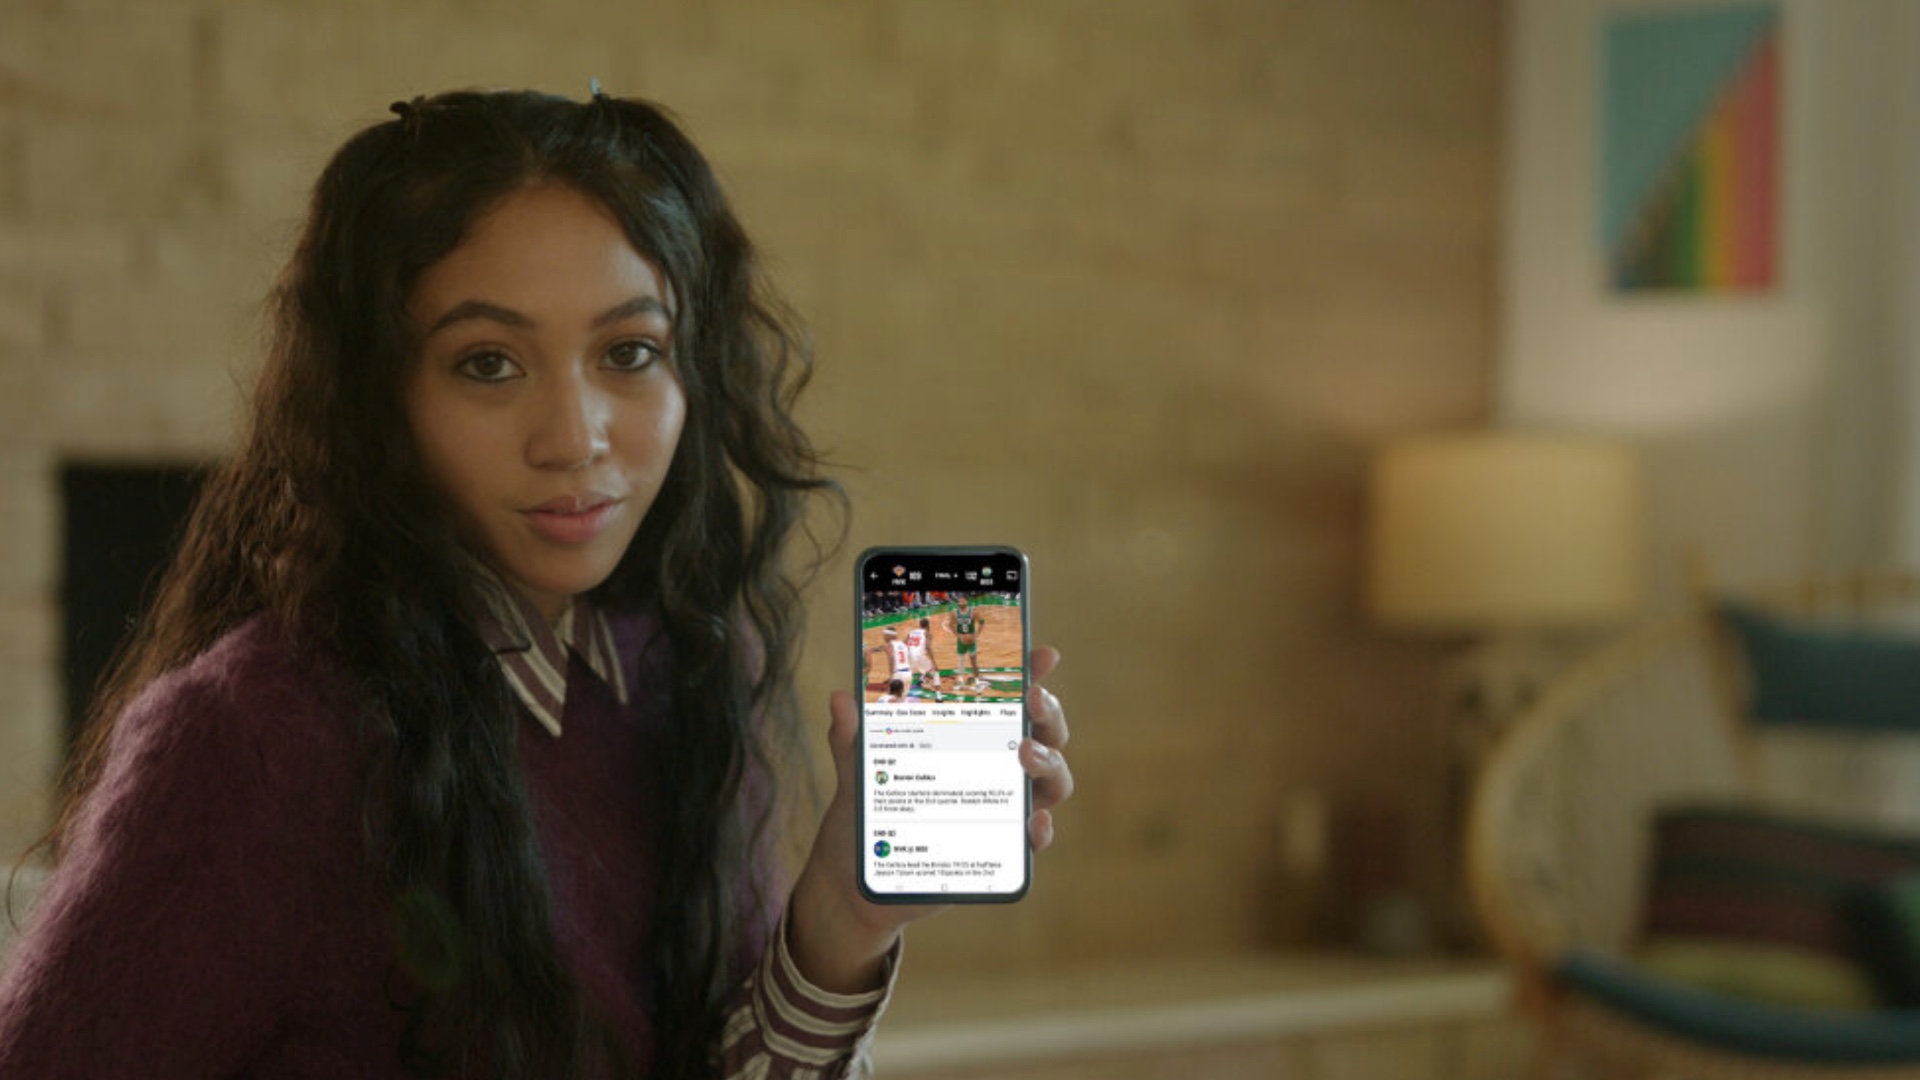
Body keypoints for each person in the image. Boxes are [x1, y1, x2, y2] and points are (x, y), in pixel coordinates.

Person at [0, 88, 1073, 1079]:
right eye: (488, 363)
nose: (576, 439)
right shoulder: (252, 737)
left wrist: (842, 915)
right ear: (380, 398)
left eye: (629, 352)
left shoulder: (689, 669)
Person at [948, 594, 987, 693]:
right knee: (961, 661)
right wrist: (958, 636)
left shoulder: (973, 612)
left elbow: (982, 622)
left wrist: (976, 635)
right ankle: (960, 681)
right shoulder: (954, 613)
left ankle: (977, 681)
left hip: (971, 639)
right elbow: (951, 625)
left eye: (962, 600)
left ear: (966, 601)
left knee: (973, 660)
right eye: (959, 600)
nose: (960, 602)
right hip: (961, 640)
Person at [905, 616, 941, 694]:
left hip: (909, 656)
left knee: (908, 676)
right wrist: (934, 662)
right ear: (928, 626)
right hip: (919, 657)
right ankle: (939, 697)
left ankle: (921, 679)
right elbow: (928, 647)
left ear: (920, 625)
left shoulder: (911, 632)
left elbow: (904, 644)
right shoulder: (926, 633)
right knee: (935, 671)